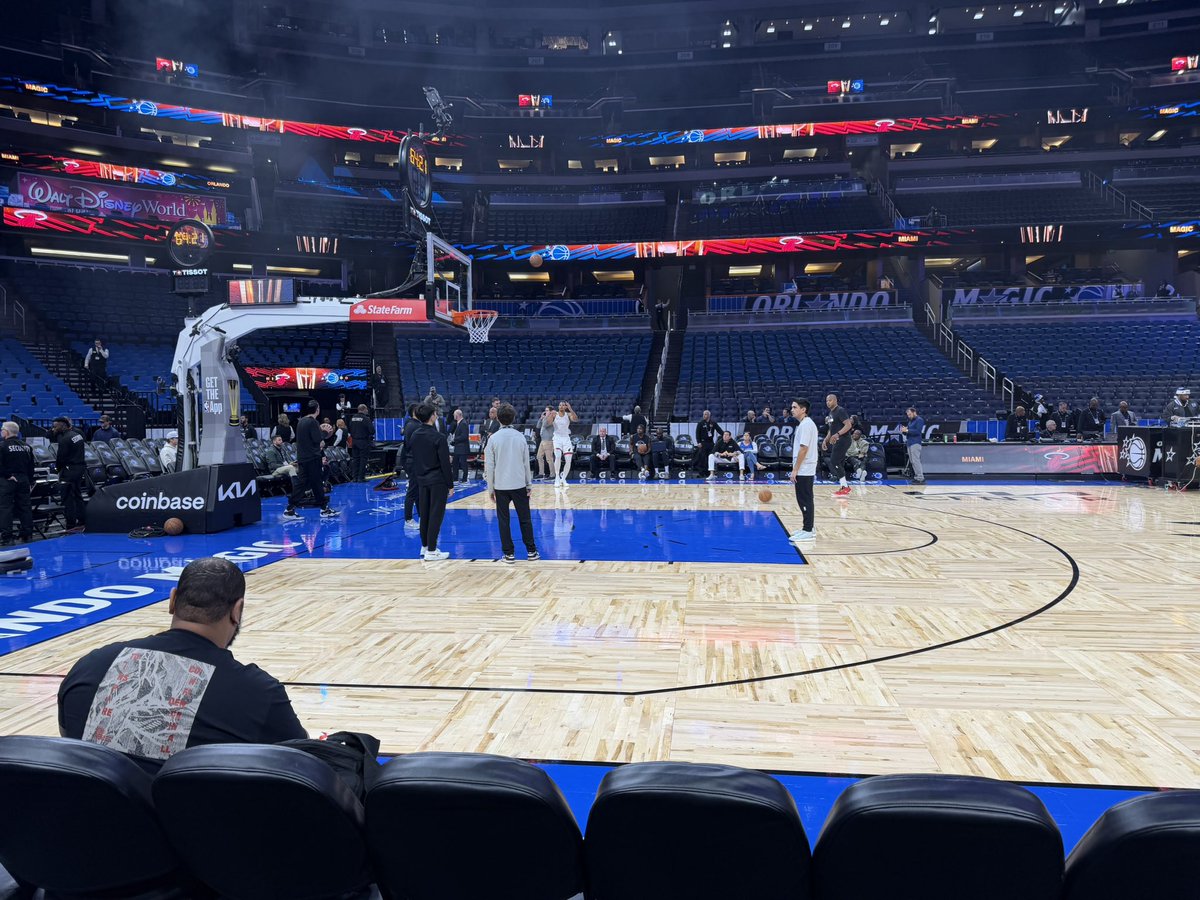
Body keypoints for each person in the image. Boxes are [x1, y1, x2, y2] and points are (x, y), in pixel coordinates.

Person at [57, 557, 306, 773]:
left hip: (88, 822)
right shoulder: (258, 694)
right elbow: (305, 770)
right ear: (237, 611)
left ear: (173, 600)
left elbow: (69, 740)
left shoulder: (90, 665)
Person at [484, 403, 540, 564]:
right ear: (513, 418)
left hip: (500, 487)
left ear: (498, 418)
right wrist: (529, 485)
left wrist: (490, 489)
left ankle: (508, 554)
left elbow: (490, 466)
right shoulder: (520, 437)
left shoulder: (493, 438)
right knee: (525, 519)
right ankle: (531, 551)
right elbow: (526, 463)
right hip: (519, 485)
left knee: (504, 520)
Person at [407, 403, 454, 561]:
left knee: (424, 514)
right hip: (437, 480)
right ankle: (432, 550)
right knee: (436, 514)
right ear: (432, 416)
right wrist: (450, 484)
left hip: (421, 480)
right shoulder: (438, 437)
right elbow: (445, 464)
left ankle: (425, 546)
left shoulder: (414, 435)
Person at [283, 400, 338, 521]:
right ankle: (324, 509)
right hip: (312, 458)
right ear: (317, 410)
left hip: (302, 458)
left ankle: (290, 509)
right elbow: (318, 439)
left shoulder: (301, 421)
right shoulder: (313, 422)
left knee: (303, 484)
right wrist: (325, 432)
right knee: (317, 483)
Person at [788, 398, 818, 543]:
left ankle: (808, 530)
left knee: (804, 499)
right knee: (806, 498)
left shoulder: (806, 425)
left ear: (803, 409)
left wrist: (795, 470)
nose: (792, 409)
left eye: (794, 407)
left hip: (804, 468)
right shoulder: (805, 424)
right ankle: (808, 528)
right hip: (805, 467)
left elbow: (804, 448)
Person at [0, 421, 34, 546]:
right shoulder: (26, 446)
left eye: (2, 429)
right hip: (23, 479)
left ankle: (7, 537)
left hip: (8, 480)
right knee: (25, 507)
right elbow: (31, 466)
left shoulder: (2, 446)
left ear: (6, 431)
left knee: (5, 508)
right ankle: (27, 534)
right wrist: (30, 481)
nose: (1, 431)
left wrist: (8, 476)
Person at [51, 416, 87, 532]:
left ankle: (70, 524)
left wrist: (56, 470)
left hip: (69, 470)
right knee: (77, 495)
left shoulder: (65, 439)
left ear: (62, 426)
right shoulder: (77, 435)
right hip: (79, 467)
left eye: (55, 426)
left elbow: (60, 458)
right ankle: (82, 520)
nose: (53, 429)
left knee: (67, 498)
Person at [821, 393, 854, 496]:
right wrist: (825, 440)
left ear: (835, 400)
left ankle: (845, 487)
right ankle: (844, 486)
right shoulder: (831, 414)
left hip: (844, 439)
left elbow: (848, 425)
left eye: (830, 400)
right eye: (826, 401)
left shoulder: (840, 410)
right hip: (837, 440)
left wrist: (838, 434)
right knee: (836, 462)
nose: (828, 402)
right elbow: (831, 430)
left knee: (834, 461)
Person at [401, 404, 422, 530]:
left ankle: (421, 516)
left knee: (418, 492)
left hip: (412, 460)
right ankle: (408, 520)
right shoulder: (413, 425)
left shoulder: (410, 424)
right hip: (413, 461)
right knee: (413, 491)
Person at [549, 400, 578, 487]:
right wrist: (550, 415)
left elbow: (576, 419)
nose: (561, 406)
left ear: (566, 407)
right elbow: (548, 423)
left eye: (563, 405)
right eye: (560, 405)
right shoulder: (555, 414)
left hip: (566, 439)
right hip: (557, 438)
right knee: (557, 456)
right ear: (558, 407)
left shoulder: (568, 415)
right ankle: (557, 478)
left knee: (568, 460)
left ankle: (563, 478)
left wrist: (571, 409)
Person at [347, 404, 373, 483]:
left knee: (355, 459)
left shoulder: (352, 418)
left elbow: (349, 429)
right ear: (364, 409)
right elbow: (372, 431)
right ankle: (361, 477)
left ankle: (355, 477)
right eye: (367, 409)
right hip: (363, 441)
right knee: (363, 459)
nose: (367, 411)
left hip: (354, 441)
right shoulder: (366, 419)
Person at [899, 407, 925, 483]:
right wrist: (904, 431)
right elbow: (908, 431)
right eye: (908, 415)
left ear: (914, 412)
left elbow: (917, 431)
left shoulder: (919, 420)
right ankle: (917, 477)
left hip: (915, 443)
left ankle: (920, 477)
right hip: (909, 442)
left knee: (916, 460)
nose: (909, 416)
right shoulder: (910, 421)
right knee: (912, 461)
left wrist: (907, 430)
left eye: (910, 414)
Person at [694, 410, 719, 476]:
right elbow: (697, 433)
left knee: (710, 457)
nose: (704, 416)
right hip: (703, 443)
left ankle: (709, 472)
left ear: (709, 415)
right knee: (702, 458)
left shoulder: (713, 423)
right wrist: (698, 442)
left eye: (705, 414)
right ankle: (701, 473)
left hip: (710, 443)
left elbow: (720, 430)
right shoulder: (700, 423)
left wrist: (725, 435)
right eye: (703, 414)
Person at [449, 407, 470, 484]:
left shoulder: (463, 423)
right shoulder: (459, 423)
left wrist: (455, 439)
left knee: (463, 464)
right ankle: (455, 478)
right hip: (458, 448)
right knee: (455, 463)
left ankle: (464, 479)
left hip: (463, 448)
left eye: (454, 415)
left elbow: (464, 436)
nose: (453, 416)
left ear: (457, 415)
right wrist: (453, 442)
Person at [535, 406, 556, 481]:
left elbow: (545, 425)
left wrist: (546, 417)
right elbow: (538, 426)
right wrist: (541, 418)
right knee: (539, 457)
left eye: (547, 410)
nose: (545, 412)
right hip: (543, 440)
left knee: (549, 458)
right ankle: (541, 473)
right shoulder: (545, 419)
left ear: (551, 412)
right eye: (545, 410)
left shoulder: (552, 419)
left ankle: (553, 475)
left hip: (549, 441)